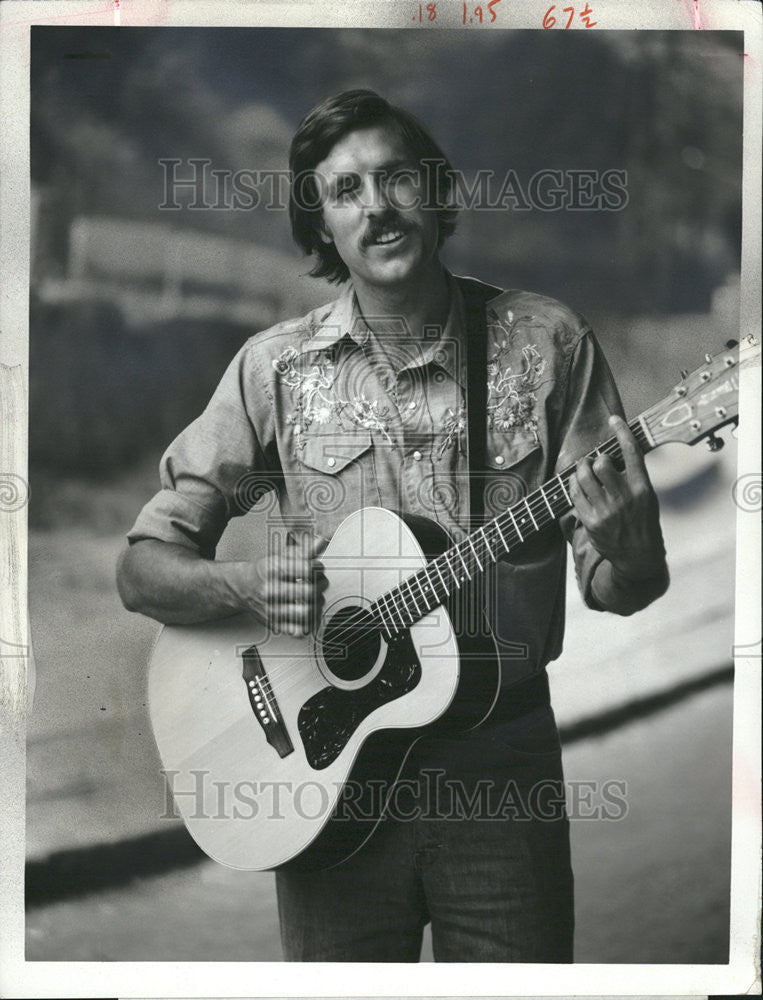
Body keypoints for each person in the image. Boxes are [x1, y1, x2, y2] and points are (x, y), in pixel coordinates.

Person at [117, 89, 669, 962]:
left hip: (499, 776)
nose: (376, 207)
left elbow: (615, 584)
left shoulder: (545, 344)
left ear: (436, 193)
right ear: (322, 227)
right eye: (345, 192)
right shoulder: (274, 370)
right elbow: (143, 567)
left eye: (396, 178)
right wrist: (241, 582)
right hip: (327, 779)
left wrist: (636, 559)